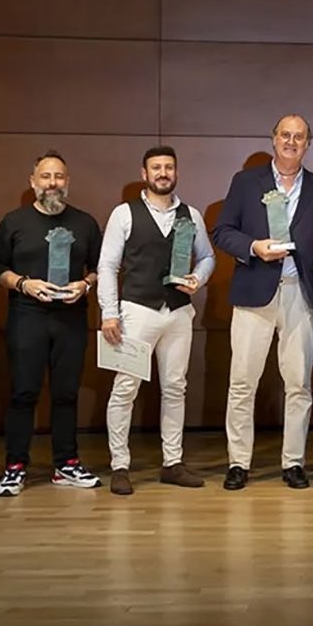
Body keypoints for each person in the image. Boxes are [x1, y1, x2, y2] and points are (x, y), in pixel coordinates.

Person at [212, 115, 313, 491]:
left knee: (298, 383)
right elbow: (222, 231)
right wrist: (253, 247)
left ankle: (293, 462)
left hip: (301, 295)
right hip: (254, 292)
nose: (291, 142)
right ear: (273, 139)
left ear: (308, 144)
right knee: (242, 382)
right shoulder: (246, 182)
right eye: (286, 135)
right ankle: (238, 463)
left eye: (299, 137)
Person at [97, 146, 215, 496]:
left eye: (169, 167)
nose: (163, 173)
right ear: (144, 173)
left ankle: (172, 462)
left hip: (178, 312)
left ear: (176, 172)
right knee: (125, 390)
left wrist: (198, 278)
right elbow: (107, 265)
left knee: (176, 387)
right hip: (136, 312)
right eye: (156, 167)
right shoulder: (124, 213)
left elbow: (207, 256)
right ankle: (120, 466)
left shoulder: (191, 214)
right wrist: (109, 312)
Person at [0, 151, 103, 496]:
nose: (52, 183)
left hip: (71, 317)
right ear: (33, 182)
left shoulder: (85, 223)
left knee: (66, 394)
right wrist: (24, 283)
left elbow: (101, 268)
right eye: (45, 177)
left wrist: (84, 285)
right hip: (28, 317)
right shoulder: (13, 222)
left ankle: (66, 464)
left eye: (58, 177)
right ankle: (14, 467)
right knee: (24, 393)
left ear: (67, 182)